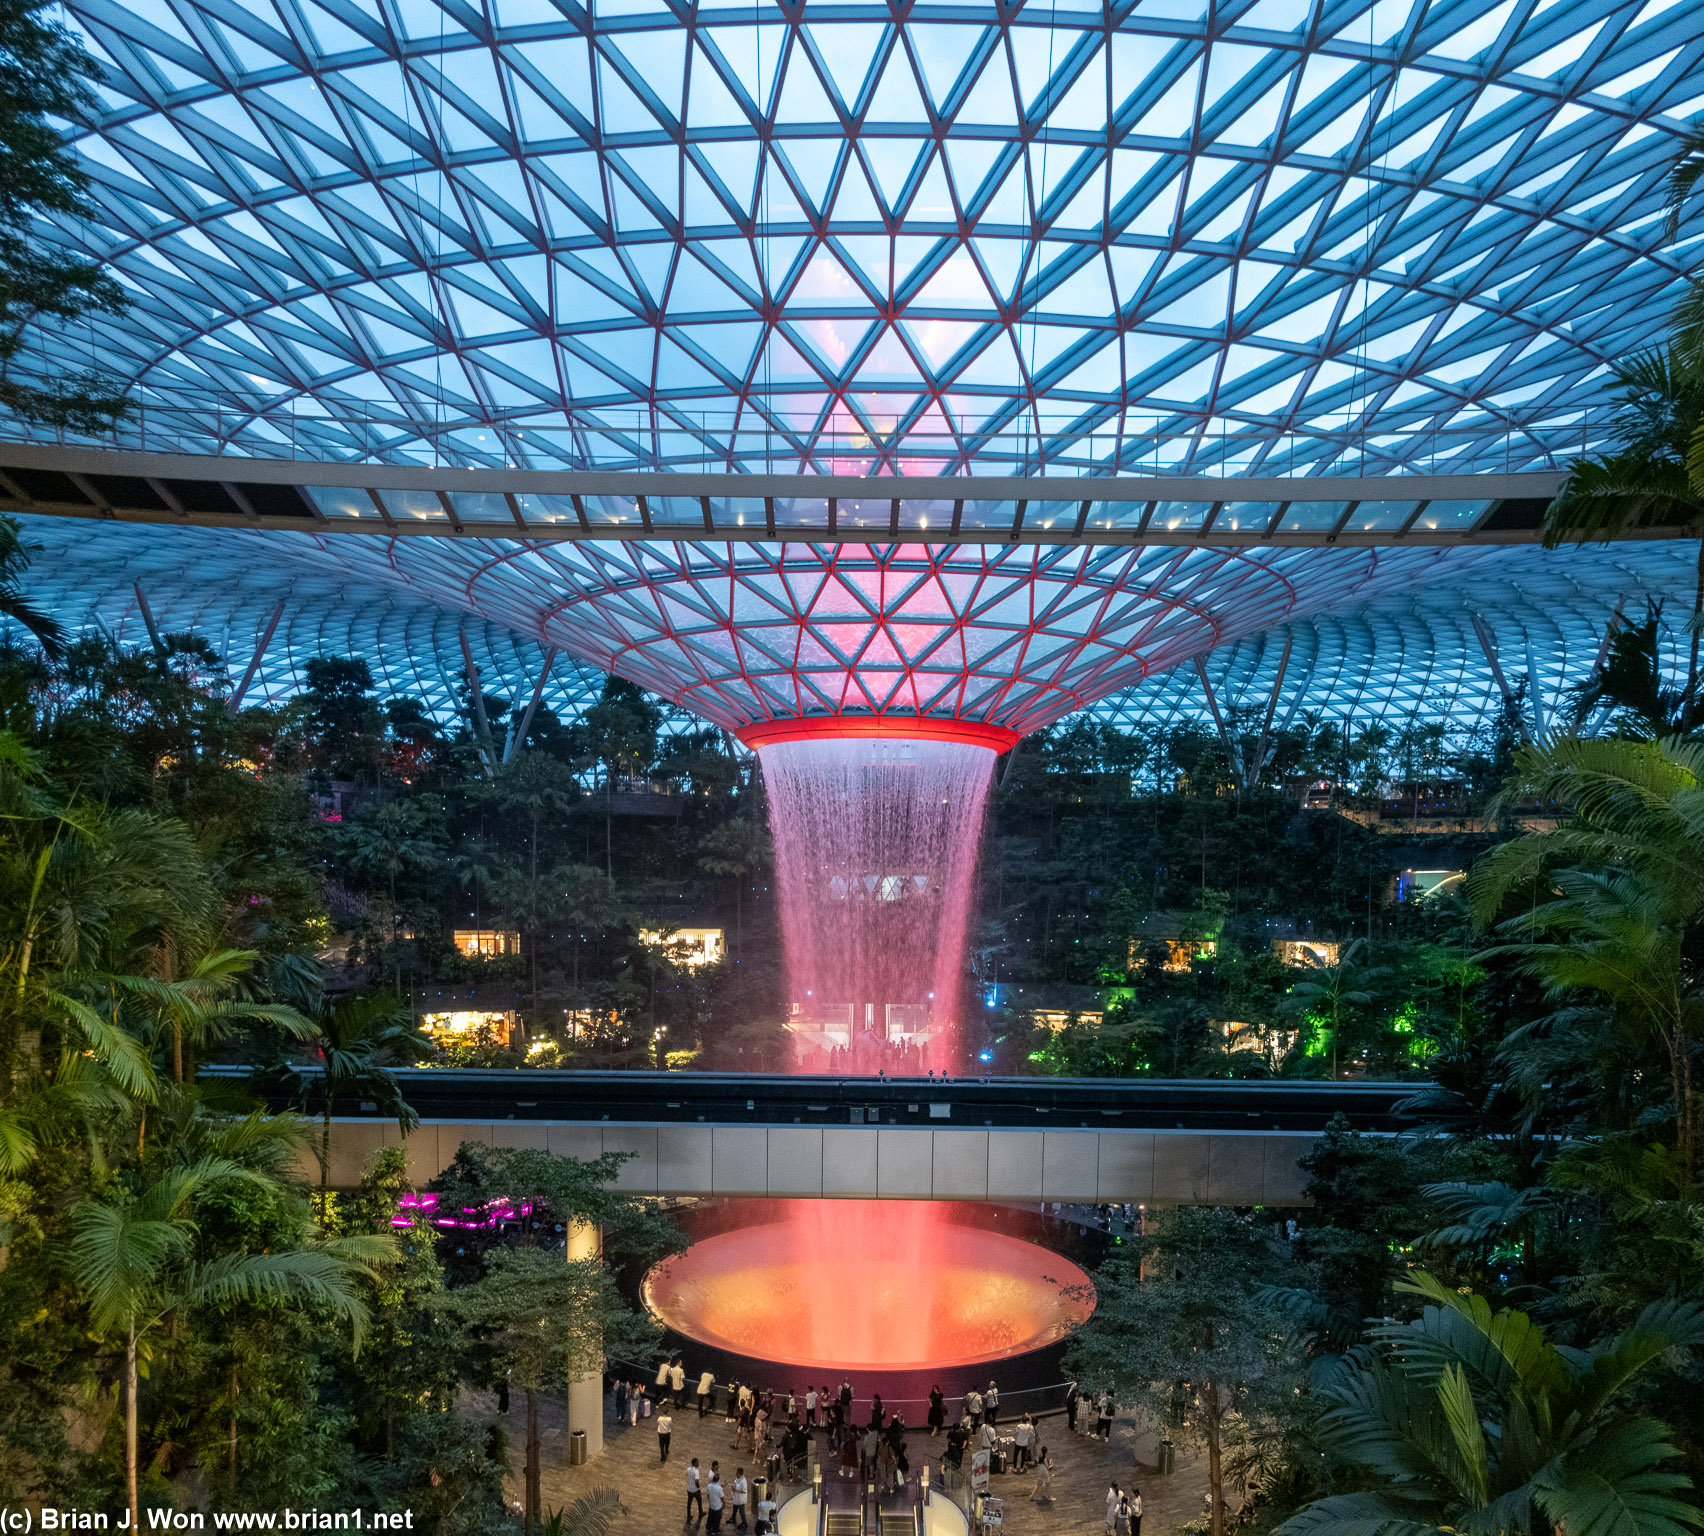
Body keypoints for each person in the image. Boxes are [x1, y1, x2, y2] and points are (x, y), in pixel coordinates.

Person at [706, 1471, 724, 1535]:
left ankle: (708, 1527)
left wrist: (710, 1500)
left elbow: (708, 1495)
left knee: (710, 1517)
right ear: (718, 1480)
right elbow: (722, 1498)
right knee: (717, 1519)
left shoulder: (709, 1486)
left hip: (711, 1505)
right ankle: (715, 1530)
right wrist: (724, 1504)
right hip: (717, 1506)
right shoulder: (719, 1488)